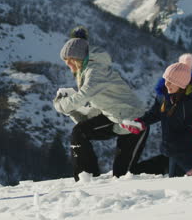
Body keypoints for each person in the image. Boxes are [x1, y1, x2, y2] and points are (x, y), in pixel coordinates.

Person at [53, 26, 149, 180]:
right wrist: (71, 110)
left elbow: (84, 95)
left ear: (78, 58)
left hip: (134, 120)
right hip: (113, 117)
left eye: (69, 60)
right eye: (65, 61)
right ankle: (86, 177)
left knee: (125, 175)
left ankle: (168, 165)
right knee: (80, 132)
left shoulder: (95, 70)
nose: (67, 64)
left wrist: (60, 105)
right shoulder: (86, 71)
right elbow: (96, 107)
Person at [121, 53, 192, 177]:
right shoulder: (163, 98)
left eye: (171, 82)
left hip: (189, 143)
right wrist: (141, 123)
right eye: (166, 80)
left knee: (172, 149)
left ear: (182, 85)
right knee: (176, 178)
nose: (167, 84)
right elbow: (154, 113)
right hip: (173, 146)